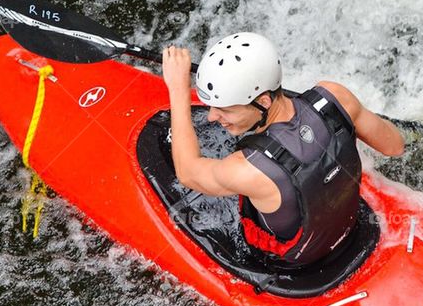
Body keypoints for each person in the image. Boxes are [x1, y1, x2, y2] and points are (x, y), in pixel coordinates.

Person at [161, 32, 405, 268]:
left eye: (224, 109)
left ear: (263, 101)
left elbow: (187, 171)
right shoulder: (335, 97)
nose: (213, 117)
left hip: (297, 263)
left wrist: (178, 90)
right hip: (350, 226)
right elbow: (395, 145)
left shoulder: (249, 169)